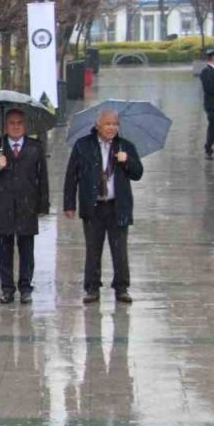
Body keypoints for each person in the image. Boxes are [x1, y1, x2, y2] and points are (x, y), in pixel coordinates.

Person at [63, 108, 143, 304]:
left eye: (115, 124)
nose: (112, 128)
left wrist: (127, 161)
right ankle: (92, 288)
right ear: (98, 125)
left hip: (118, 206)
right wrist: (69, 204)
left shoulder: (125, 146)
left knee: (120, 251)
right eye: (108, 124)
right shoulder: (83, 146)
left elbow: (138, 173)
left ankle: (121, 288)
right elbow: (71, 177)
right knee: (93, 249)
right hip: (94, 206)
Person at [0, 109, 49, 304]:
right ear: (5, 126)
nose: (15, 127)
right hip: (3, 206)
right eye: (11, 123)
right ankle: (7, 288)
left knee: (26, 251)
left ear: (24, 126)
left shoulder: (35, 147)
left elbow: (42, 178)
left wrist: (43, 205)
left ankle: (25, 287)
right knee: (4, 251)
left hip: (27, 206)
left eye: (19, 123)